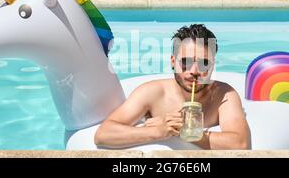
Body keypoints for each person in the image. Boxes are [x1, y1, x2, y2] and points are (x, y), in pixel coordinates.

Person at [94, 24, 251, 149]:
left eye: (204, 63)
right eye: (185, 62)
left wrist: (186, 131)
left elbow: (241, 144)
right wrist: (156, 131)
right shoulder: (152, 93)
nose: (194, 71)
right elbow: (103, 134)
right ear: (172, 61)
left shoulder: (223, 95)